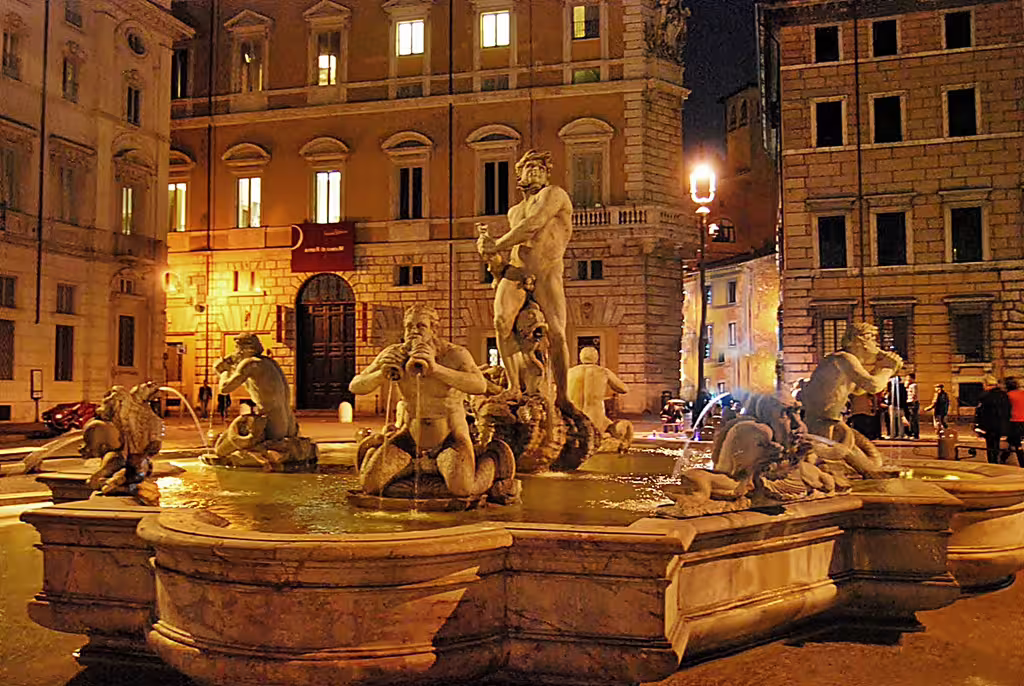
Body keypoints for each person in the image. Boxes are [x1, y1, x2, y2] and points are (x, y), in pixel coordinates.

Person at [349, 304, 504, 497]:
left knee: (463, 489)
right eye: (409, 327)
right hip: (409, 436)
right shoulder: (395, 353)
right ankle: (408, 464)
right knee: (370, 485)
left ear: (434, 329)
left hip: (449, 436)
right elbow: (356, 386)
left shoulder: (453, 354)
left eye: (420, 326)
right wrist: (382, 373)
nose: (413, 332)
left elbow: (479, 385)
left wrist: (436, 369)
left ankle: (491, 461)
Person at [476, 150, 574, 411]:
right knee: (500, 322)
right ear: (518, 176)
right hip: (516, 269)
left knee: (557, 332)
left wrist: (496, 243)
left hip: (547, 271)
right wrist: (491, 256)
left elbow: (534, 224)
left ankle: (562, 395)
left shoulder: (554, 195)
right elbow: (515, 243)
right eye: (528, 168)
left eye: (539, 168)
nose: (534, 172)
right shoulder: (513, 212)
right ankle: (513, 386)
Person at [216, 333, 297, 440]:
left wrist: (223, 371)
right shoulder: (270, 362)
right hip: (289, 422)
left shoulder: (249, 364)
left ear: (243, 349)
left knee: (227, 443)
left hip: (271, 422)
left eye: (236, 347)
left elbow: (224, 389)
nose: (235, 352)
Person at [566, 346, 629, 435]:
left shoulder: (570, 372)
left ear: (581, 357)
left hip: (575, 417)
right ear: (596, 357)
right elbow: (624, 389)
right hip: (596, 418)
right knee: (618, 430)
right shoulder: (603, 372)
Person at [973, 376, 1009, 465]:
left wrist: (978, 425)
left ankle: (992, 462)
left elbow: (981, 412)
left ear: (986, 384)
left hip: (988, 425)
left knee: (990, 444)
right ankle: (997, 458)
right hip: (1001, 424)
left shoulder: (985, 396)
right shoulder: (1003, 395)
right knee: (996, 442)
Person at [1005, 377, 1024, 466]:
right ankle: (1004, 456)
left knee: (1016, 442)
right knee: (1012, 441)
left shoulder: (1008, 395)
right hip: (1023, 419)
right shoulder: (1022, 393)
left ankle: (1022, 462)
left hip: (1014, 421)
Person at [905, 373, 919, 439]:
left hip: (912, 403)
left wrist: (913, 402)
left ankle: (915, 434)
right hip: (909, 403)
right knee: (910, 419)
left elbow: (914, 394)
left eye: (908, 378)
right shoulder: (909, 385)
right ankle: (910, 432)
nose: (907, 379)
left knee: (913, 419)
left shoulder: (913, 385)